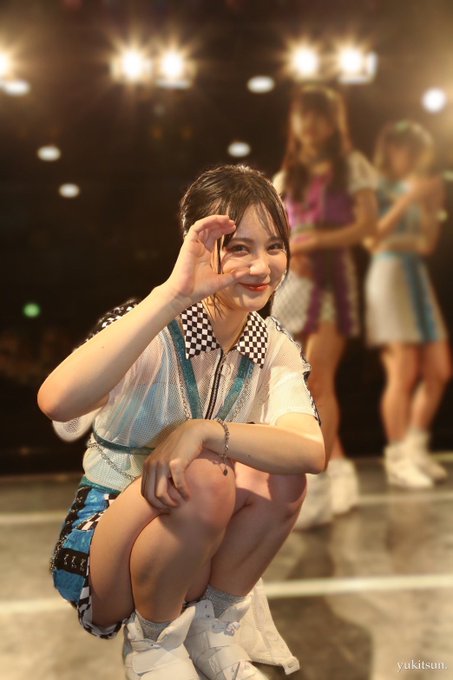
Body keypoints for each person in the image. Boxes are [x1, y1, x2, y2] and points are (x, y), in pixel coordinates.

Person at [38, 164, 325, 680]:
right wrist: (173, 295)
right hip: (104, 546)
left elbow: (311, 451)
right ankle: (152, 643)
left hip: (193, 549)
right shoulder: (153, 324)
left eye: (274, 246)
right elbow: (57, 401)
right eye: (239, 247)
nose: (261, 265)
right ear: (199, 246)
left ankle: (211, 630)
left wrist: (203, 431)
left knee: (279, 476)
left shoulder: (272, 343)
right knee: (207, 476)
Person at [272, 85, 377, 525]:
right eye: (304, 115)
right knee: (294, 384)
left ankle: (315, 484)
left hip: (333, 281)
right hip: (292, 281)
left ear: (334, 122)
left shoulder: (352, 165)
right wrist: (291, 251)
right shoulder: (286, 176)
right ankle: (341, 470)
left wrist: (316, 241)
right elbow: (274, 232)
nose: (310, 124)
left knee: (318, 381)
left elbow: (367, 225)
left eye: (320, 115)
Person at [364, 120, 451, 488]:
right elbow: (372, 239)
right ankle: (397, 457)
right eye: (404, 149)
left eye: (416, 151)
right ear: (389, 149)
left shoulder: (419, 186)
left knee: (439, 370)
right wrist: (408, 200)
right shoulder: (375, 186)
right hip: (388, 274)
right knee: (402, 371)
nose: (410, 157)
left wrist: (432, 204)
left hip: (416, 275)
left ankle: (415, 447)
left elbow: (427, 244)